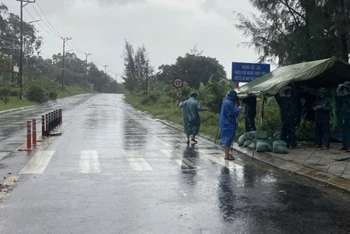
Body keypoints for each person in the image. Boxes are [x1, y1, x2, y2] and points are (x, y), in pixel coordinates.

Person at [219, 90, 244, 160]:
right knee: (228, 139)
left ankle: (227, 154)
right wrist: (239, 109)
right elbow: (233, 112)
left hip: (224, 122)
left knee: (225, 138)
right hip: (228, 123)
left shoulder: (225, 101)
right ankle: (227, 155)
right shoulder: (229, 103)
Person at [336, 81, 350, 152]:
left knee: (347, 132)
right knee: (345, 131)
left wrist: (338, 88)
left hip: (348, 115)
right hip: (346, 115)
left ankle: (348, 146)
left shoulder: (348, 95)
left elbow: (339, 95)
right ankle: (345, 146)